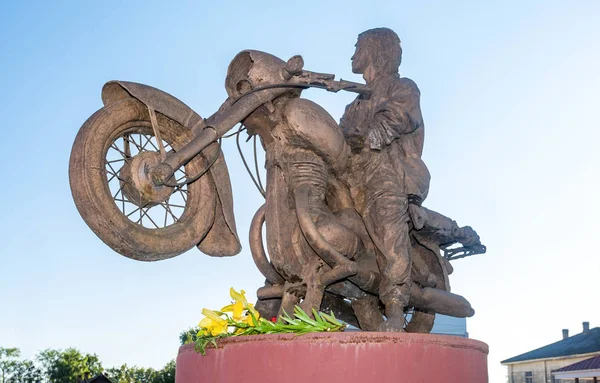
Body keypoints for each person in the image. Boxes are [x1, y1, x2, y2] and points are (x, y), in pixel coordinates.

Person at [340, 28, 431, 331]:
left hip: (392, 170)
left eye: (358, 47)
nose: (353, 54)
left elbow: (400, 117)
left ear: (376, 50)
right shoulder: (354, 101)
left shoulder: (402, 86)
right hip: (354, 172)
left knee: (388, 226)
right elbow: (342, 135)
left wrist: (365, 133)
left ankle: (394, 304)